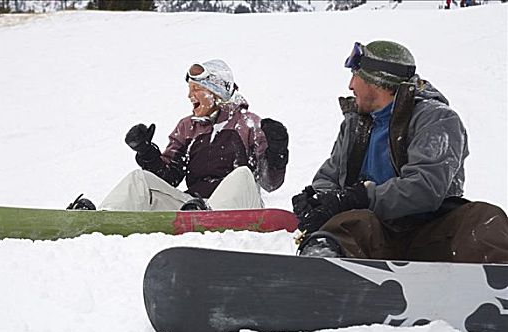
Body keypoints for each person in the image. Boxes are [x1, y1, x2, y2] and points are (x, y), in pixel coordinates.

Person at [292, 40, 508, 263]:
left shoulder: (437, 119)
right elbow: (328, 178)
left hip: (431, 233)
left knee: (484, 219)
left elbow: (425, 187)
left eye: (356, 76)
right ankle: (320, 276)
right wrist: (320, 201)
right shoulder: (355, 125)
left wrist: (360, 197)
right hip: (375, 235)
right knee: (344, 227)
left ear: (377, 81)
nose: (350, 85)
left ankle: (494, 288)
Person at [68, 59, 288, 211]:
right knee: (140, 179)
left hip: (241, 207)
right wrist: (147, 153)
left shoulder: (248, 124)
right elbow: (169, 178)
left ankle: (208, 214)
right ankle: (105, 217)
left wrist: (277, 151)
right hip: (194, 208)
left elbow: (269, 183)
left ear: (216, 91)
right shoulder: (187, 127)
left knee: (241, 175)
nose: (189, 96)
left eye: (196, 90)